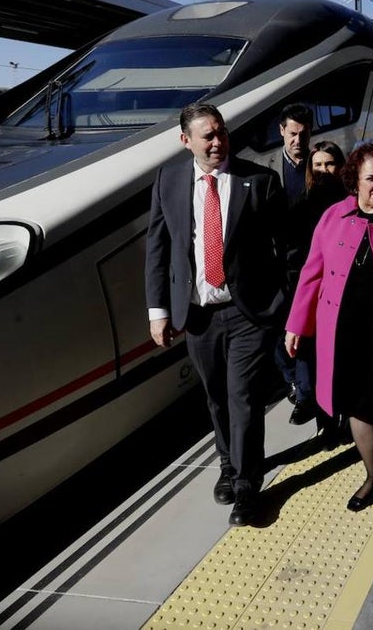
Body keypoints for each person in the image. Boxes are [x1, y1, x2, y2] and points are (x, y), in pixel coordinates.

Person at [145, 102, 287, 527]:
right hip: (198, 315)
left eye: (221, 132)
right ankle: (227, 462)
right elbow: (158, 248)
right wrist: (158, 310)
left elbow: (286, 249)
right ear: (185, 140)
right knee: (216, 397)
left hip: (247, 313)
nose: (217, 142)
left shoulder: (259, 180)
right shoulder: (168, 180)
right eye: (207, 135)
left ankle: (246, 486)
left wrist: (282, 303)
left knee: (243, 396)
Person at [284, 143, 373, 512]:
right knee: (358, 406)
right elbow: (312, 273)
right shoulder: (333, 217)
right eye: (372, 178)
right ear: (355, 181)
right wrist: (297, 324)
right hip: (344, 328)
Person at [241, 103, 315, 423]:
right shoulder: (263, 168)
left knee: (302, 332)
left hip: (313, 265)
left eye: (304, 133)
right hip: (277, 267)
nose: (298, 140)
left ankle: (305, 395)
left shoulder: (320, 164)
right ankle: (292, 380)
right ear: (282, 131)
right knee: (275, 335)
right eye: (293, 133)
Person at [284, 140, 348, 427]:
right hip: (313, 292)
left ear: (341, 167)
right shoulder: (300, 204)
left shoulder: (351, 202)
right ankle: (324, 417)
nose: (323, 170)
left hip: (346, 291)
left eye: (329, 164)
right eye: (318, 164)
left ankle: (347, 417)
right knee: (313, 356)